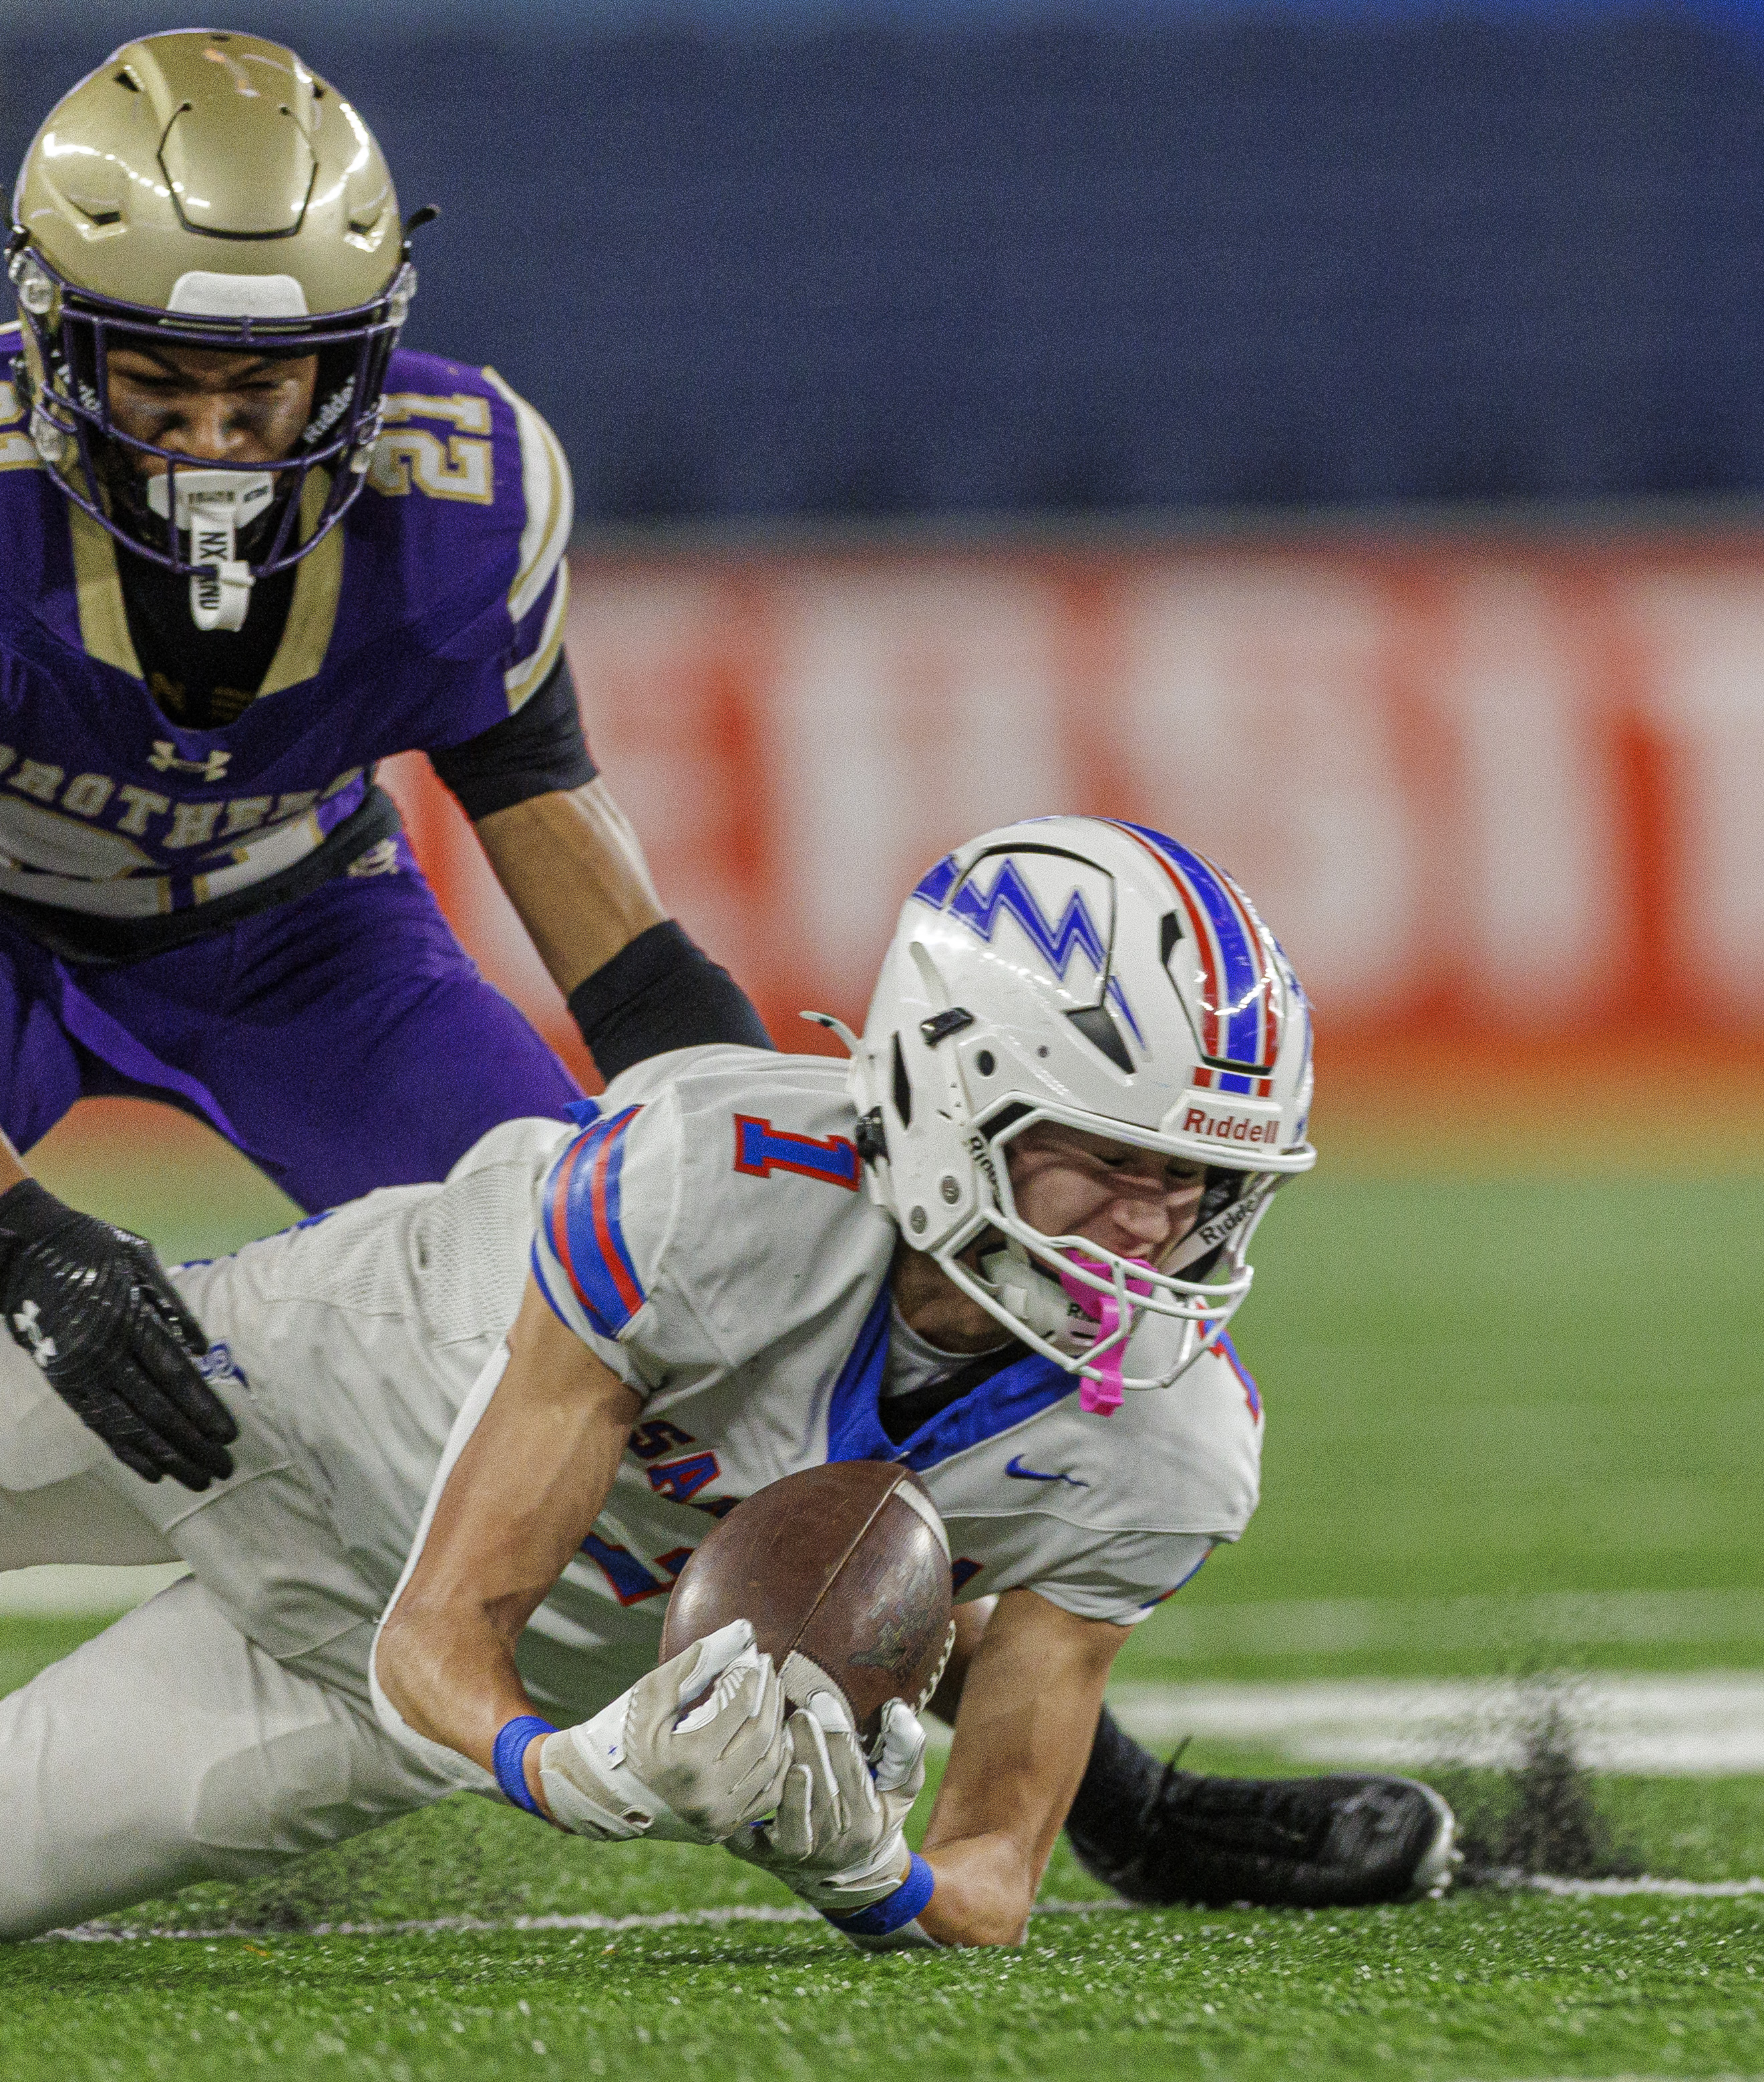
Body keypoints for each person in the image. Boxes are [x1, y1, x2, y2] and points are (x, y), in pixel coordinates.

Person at [0, 818, 1456, 1944]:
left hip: (340, 1700)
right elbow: (442, 1628)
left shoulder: (1170, 1441)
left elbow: (993, 1875)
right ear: (952, 1098)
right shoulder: (712, 1178)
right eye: (1109, 1159)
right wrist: (560, 1765)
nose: (1153, 1225)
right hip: (255, 1398)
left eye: (1201, 1179)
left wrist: (870, 1872)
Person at [0, 30, 771, 1491]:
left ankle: (1020, 1720)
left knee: (637, 1321)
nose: (211, 453)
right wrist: (22, 1235)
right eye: (158, 394)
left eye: (261, 399)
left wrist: (747, 1135)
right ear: (52, 343)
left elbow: (577, 873)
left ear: (352, 370)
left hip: (299, 932)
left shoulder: (462, 493)